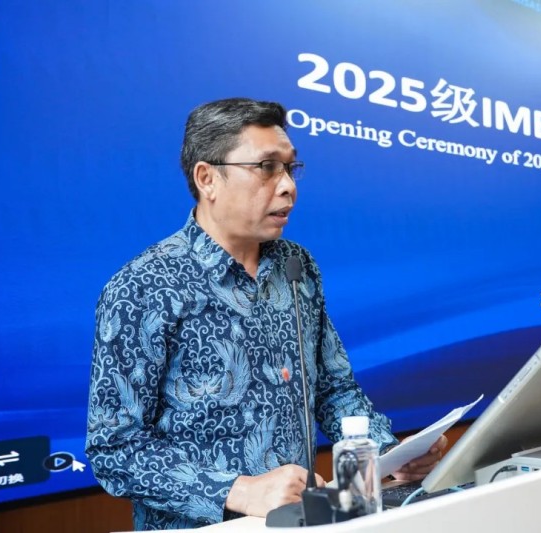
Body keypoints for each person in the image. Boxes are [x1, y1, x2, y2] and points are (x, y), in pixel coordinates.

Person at [85, 97, 447, 530]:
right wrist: (238, 491)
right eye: (267, 167)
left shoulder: (297, 265)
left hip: (301, 520)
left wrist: (389, 452)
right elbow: (114, 448)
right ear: (207, 178)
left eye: (290, 168)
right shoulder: (143, 286)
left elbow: (332, 389)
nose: (288, 186)